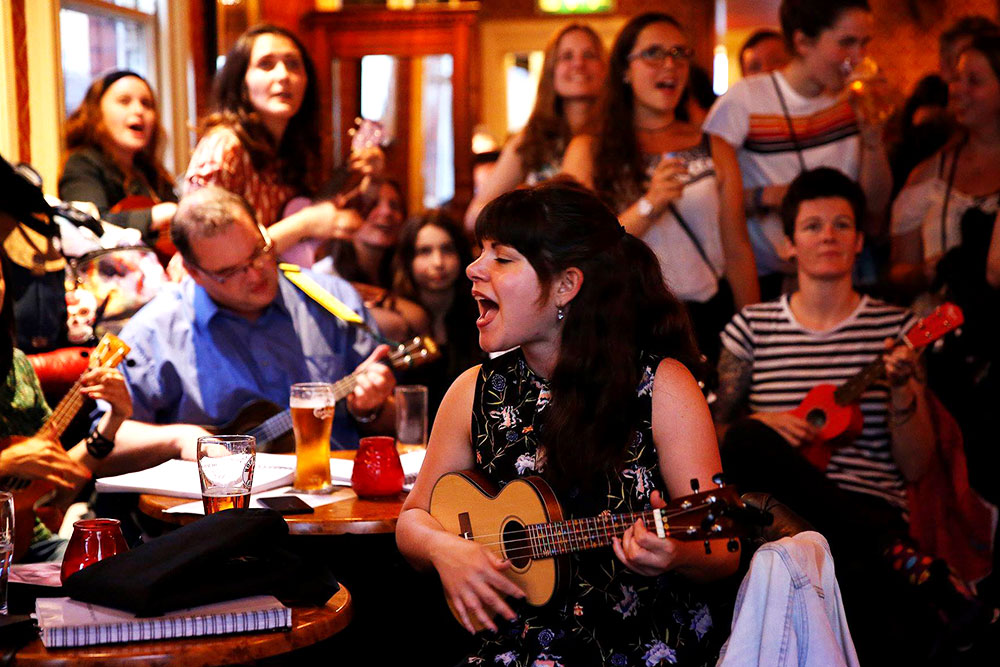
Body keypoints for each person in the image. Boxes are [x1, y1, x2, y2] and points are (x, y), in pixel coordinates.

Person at [397, 180, 739, 665]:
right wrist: (444, 551)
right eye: (480, 252)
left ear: (565, 285)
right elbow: (412, 519)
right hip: (510, 651)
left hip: (637, 650)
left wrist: (678, 554)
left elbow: (722, 547)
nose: (473, 269)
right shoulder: (473, 390)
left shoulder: (662, 386)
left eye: (502, 257)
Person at [713, 168, 989, 663]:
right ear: (789, 244)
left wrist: (903, 388)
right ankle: (895, 556)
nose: (828, 236)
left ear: (861, 240)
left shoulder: (897, 328)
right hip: (779, 522)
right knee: (745, 442)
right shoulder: (751, 327)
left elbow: (917, 465)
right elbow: (712, 441)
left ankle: (877, 547)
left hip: (867, 504)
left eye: (842, 225)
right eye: (813, 225)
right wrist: (761, 425)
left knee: (856, 578)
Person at [112, 186, 395, 455]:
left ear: (261, 229)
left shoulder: (333, 299)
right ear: (193, 273)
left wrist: (371, 409)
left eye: (259, 251)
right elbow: (107, 442)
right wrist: (179, 439)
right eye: (231, 271)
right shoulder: (155, 331)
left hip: (335, 490)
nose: (255, 274)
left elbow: (403, 420)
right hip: (221, 502)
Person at [562, 12, 758, 363]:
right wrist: (649, 205)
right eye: (653, 53)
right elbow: (576, 252)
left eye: (680, 53)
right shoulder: (588, 150)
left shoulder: (714, 146)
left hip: (703, 319)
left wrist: (755, 335)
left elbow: (738, 250)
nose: (670, 64)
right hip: (620, 323)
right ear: (624, 69)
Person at [704, 0, 892, 299]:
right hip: (766, 283)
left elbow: (873, 205)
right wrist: (764, 195)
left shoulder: (854, 100)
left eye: (864, 43)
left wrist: (872, 137)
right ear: (802, 41)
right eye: (846, 43)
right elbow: (703, 195)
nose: (858, 58)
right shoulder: (746, 100)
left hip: (844, 279)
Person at [0, 251, 133, 562]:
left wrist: (114, 419)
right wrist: (4, 462)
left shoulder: (16, 365)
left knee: (120, 564)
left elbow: (56, 483)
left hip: (28, 544)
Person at [184, 25, 361, 258]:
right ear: (242, 84)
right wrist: (305, 224)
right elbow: (212, 254)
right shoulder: (224, 147)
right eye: (266, 64)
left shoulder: (291, 149)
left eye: (293, 64)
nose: (284, 75)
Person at [463, 24, 606, 231]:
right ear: (551, 70)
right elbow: (475, 215)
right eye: (566, 56)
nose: (578, 64)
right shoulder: (531, 140)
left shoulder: (622, 134)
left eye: (589, 55)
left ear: (605, 67)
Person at [59, 70, 177, 247]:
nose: (139, 110)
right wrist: (157, 214)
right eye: (124, 101)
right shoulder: (82, 164)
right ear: (96, 112)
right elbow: (85, 226)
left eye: (146, 103)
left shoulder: (149, 170)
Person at [391, 210, 483, 421]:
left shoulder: (480, 315)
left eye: (447, 250)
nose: (438, 262)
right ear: (408, 260)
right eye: (424, 251)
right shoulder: (397, 320)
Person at [314, 180, 428, 341]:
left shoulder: (404, 272)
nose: (386, 212)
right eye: (372, 204)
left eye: (395, 206)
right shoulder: (323, 276)